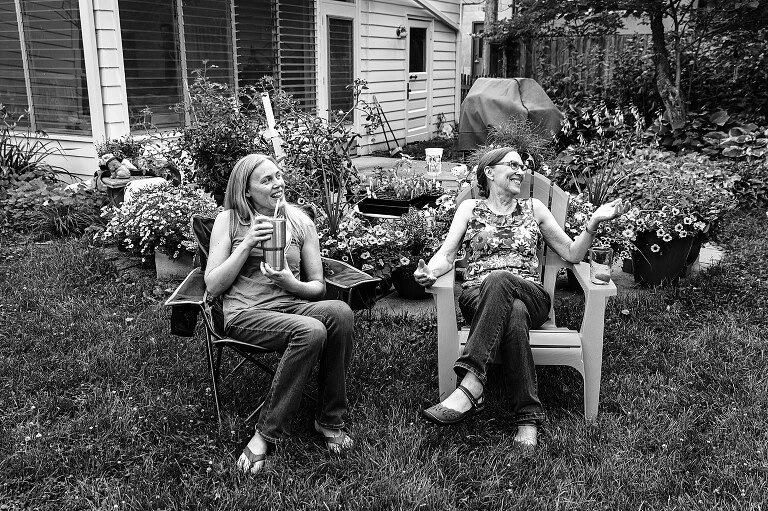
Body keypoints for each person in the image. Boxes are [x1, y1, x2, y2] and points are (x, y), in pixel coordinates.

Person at [413, 147, 628, 447]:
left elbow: (572, 253)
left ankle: (471, 384)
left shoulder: (534, 208)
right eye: (513, 164)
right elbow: (447, 255)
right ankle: (527, 418)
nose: (521, 171)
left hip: (532, 296)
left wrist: (593, 223)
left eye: (523, 166)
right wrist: (430, 272)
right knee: (512, 311)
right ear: (489, 172)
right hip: (479, 298)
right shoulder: (470, 208)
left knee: (501, 280)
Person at [205, 153, 354, 474]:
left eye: (278, 176)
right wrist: (246, 244)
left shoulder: (300, 222)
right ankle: (266, 434)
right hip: (246, 314)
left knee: (340, 313)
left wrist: (290, 282)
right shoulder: (228, 221)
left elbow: (317, 287)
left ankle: (329, 418)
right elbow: (213, 285)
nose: (278, 184)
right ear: (246, 191)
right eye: (267, 180)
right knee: (310, 330)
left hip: (292, 306)